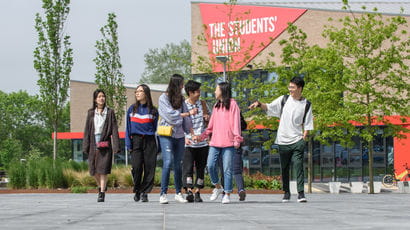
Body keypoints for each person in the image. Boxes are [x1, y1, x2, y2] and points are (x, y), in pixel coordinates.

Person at [249, 76, 313, 203]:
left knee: (298, 165)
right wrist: (259, 104)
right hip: (283, 140)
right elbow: (269, 107)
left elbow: (308, 122)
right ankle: (286, 192)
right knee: (284, 168)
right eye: (289, 87)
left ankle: (301, 193)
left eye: (293, 88)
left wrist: (304, 137)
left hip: (297, 141)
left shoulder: (306, 104)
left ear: (300, 88)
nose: (290, 90)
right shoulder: (284, 99)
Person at [197, 82, 243, 204]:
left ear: (222, 90)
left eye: (216, 90)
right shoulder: (216, 106)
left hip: (229, 143)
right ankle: (217, 187)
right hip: (215, 142)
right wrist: (202, 136)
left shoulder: (233, 105)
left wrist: (237, 138)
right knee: (210, 165)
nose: (214, 92)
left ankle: (227, 193)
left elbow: (236, 123)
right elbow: (211, 126)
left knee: (227, 168)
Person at [158, 74, 195, 204]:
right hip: (166, 135)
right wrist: (187, 113)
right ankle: (163, 193)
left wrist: (191, 133)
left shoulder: (181, 99)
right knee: (168, 163)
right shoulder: (163, 98)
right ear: (176, 84)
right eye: (181, 84)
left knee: (178, 164)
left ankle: (178, 192)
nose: (183, 87)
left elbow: (187, 119)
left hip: (179, 136)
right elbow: (169, 115)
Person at [83, 89, 120, 202]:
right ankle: (101, 186)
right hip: (93, 142)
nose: (101, 98)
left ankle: (102, 193)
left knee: (103, 169)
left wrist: (116, 146)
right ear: (95, 99)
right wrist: (86, 145)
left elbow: (114, 129)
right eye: (99, 96)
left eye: (103, 96)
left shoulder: (110, 112)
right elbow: (87, 130)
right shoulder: (90, 113)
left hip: (105, 142)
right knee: (93, 170)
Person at [125, 84, 158, 203]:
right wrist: (128, 144)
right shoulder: (131, 109)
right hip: (136, 141)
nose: (137, 93)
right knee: (137, 167)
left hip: (149, 141)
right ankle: (137, 188)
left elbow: (155, 128)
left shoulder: (153, 110)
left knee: (150, 168)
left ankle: (144, 192)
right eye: (136, 92)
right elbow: (128, 128)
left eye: (140, 91)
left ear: (146, 93)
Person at [182, 80, 210, 202]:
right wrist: (185, 137)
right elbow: (178, 123)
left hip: (202, 142)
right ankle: (189, 190)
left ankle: (198, 191)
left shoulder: (203, 104)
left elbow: (210, 123)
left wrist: (208, 118)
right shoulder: (183, 105)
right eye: (197, 91)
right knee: (188, 168)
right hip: (188, 142)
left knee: (200, 167)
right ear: (190, 92)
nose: (199, 93)